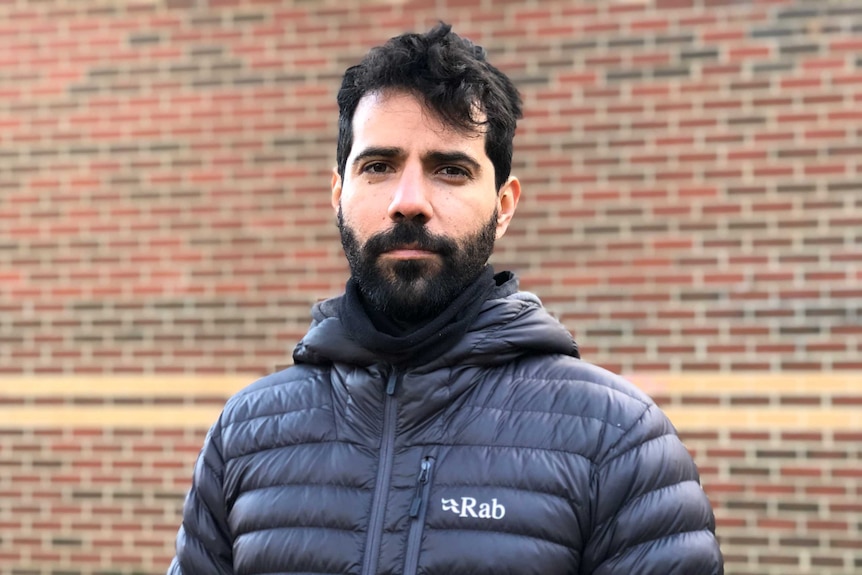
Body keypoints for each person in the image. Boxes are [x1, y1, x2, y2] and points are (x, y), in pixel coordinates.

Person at [168, 22, 723, 575]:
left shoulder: (618, 440)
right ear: (339, 195)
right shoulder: (245, 433)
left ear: (504, 206)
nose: (408, 202)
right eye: (379, 167)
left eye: (451, 170)